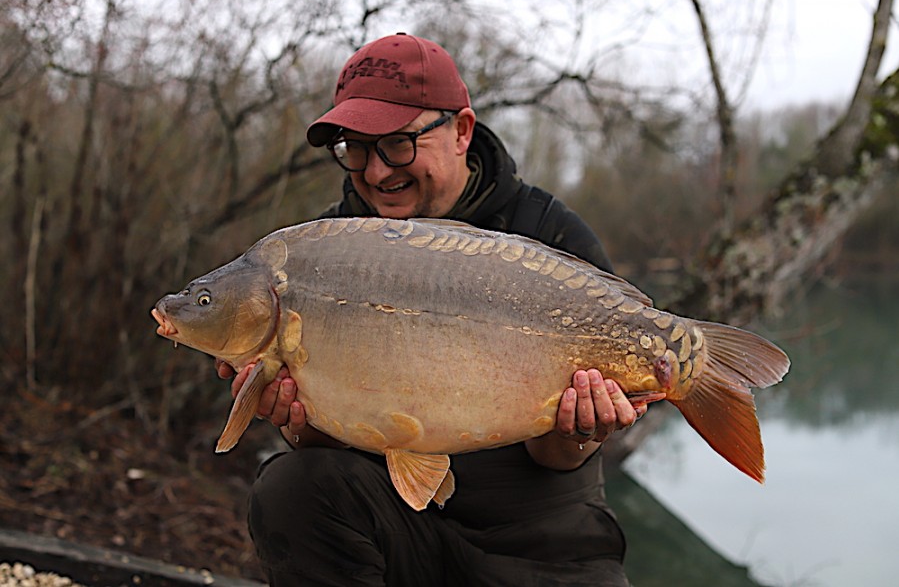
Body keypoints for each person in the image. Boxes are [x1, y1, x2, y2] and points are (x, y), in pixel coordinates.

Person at [217, 33, 647, 586]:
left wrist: (580, 428)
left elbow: (560, 458)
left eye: (397, 144)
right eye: (355, 148)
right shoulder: (319, 256)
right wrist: (297, 419)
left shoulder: (548, 234)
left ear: (461, 131)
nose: (375, 173)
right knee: (290, 487)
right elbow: (328, 449)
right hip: (397, 526)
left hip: (540, 542)